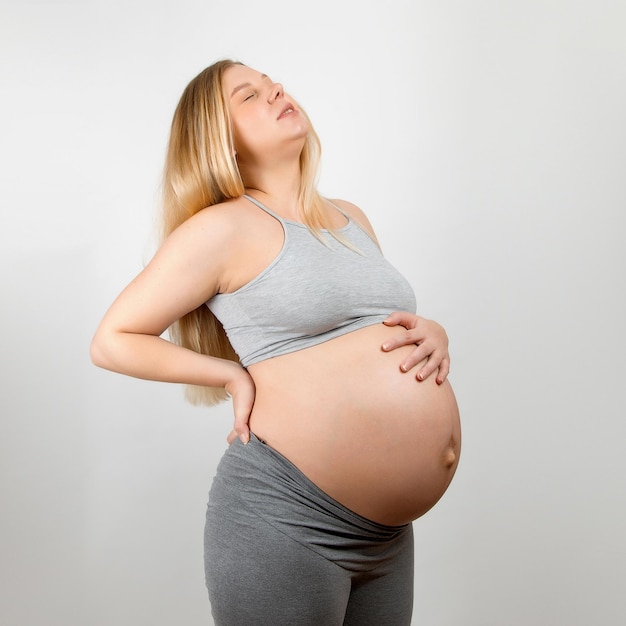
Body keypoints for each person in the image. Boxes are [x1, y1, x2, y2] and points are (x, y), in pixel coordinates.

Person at [91, 59, 461, 626]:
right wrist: (229, 374)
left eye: (272, 84)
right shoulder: (223, 229)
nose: (276, 91)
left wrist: (428, 330)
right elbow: (113, 339)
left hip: (385, 534)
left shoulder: (351, 216)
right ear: (223, 141)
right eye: (249, 96)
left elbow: (369, 323)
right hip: (284, 515)